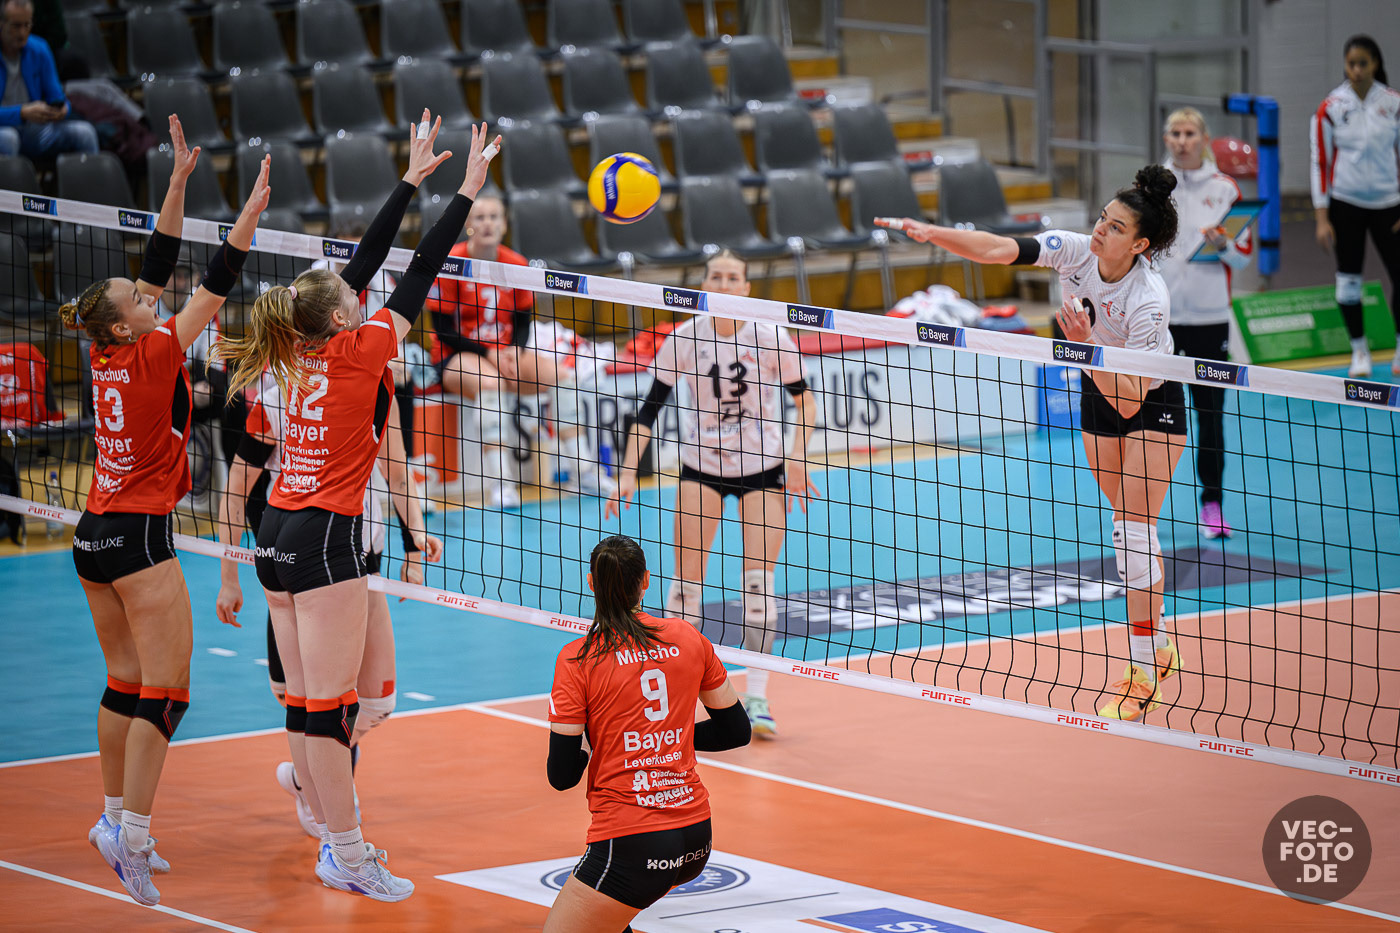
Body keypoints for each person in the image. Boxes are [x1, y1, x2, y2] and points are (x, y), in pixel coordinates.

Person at [213, 112, 497, 901]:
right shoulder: (364, 350)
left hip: (274, 530)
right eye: (348, 294)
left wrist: (408, 180)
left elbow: (364, 265)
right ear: (341, 316)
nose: (357, 286)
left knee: (310, 704)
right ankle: (346, 850)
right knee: (331, 711)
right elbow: (420, 268)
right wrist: (465, 191)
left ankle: (325, 821)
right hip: (325, 537)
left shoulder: (284, 352)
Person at [878, 165, 1186, 723]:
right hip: (1097, 383)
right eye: (1103, 218)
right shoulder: (1075, 252)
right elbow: (997, 249)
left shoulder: (1149, 299)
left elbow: (1130, 402)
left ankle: (1141, 672)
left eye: (1116, 228)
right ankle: (1160, 644)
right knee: (1130, 529)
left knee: (1134, 532)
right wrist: (932, 232)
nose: (1100, 230)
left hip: (1148, 397)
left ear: (1140, 245)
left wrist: (1086, 346)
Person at [60, 116, 268, 906]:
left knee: (123, 681)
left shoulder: (107, 347)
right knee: (168, 692)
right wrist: (247, 215)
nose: (150, 293)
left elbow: (157, 261)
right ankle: (135, 837)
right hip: (140, 538)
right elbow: (215, 279)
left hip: (91, 534)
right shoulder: (154, 351)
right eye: (139, 298)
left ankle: (112, 815)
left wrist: (177, 183)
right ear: (128, 321)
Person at [605, 250, 819, 738]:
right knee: (685, 588)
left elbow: (805, 401)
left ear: (746, 287)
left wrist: (798, 455)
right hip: (700, 469)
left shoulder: (771, 336)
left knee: (758, 586)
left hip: (763, 470)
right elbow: (648, 412)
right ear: (704, 285)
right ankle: (680, 692)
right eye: (716, 276)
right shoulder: (685, 337)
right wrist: (627, 473)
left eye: (733, 277)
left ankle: (757, 697)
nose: (724, 283)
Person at [215, 384, 441, 838]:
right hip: (298, 561)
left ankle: (310, 778)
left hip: (360, 562)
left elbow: (398, 474)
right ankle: (333, 814)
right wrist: (229, 575)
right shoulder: (277, 397)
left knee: (375, 704)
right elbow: (237, 487)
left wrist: (414, 544)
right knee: (307, 699)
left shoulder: (374, 391)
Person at [544, 535, 751, 931]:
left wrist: (594, 748)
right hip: (696, 835)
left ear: (591, 583)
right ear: (646, 581)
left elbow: (561, 775)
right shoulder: (687, 637)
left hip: (632, 842)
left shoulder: (578, 659)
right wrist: (669, 734)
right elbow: (736, 731)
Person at [425, 196, 609, 506]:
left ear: (504, 224)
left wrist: (514, 349)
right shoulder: (452, 262)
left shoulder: (515, 263)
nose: (488, 223)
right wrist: (490, 353)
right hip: (454, 355)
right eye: (480, 217)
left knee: (563, 377)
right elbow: (443, 329)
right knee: (490, 385)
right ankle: (502, 484)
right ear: (468, 224)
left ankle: (584, 473)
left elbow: (523, 321)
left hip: (504, 352)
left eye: (494, 217)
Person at [1159, 107, 1253, 540]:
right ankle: (1141, 511)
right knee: (1152, 417)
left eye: (1190, 133)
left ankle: (1212, 505)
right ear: (1167, 139)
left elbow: (1242, 259)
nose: (1183, 141)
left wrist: (1224, 244)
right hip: (1159, 320)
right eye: (1175, 133)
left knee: (1210, 418)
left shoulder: (1225, 189)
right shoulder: (1152, 187)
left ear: (1203, 138)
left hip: (1210, 320)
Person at [1310, 35, 1400, 378]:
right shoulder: (1330, 107)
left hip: (1390, 206)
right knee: (1348, 282)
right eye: (1351, 64)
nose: (1357, 70)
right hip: (1346, 206)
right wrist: (1322, 218)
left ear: (1375, 63)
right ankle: (1359, 350)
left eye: (1363, 63)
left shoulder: (1393, 104)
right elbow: (1320, 163)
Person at [0, 0, 97, 158]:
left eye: (27, 25)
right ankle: (12, 176)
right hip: (3, 128)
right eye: (16, 26)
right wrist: (21, 112)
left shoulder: (40, 49)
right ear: (1, 24)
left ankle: (88, 174)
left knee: (84, 133)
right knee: (8, 138)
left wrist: (62, 109)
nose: (22, 33)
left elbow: (57, 96)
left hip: (33, 129)